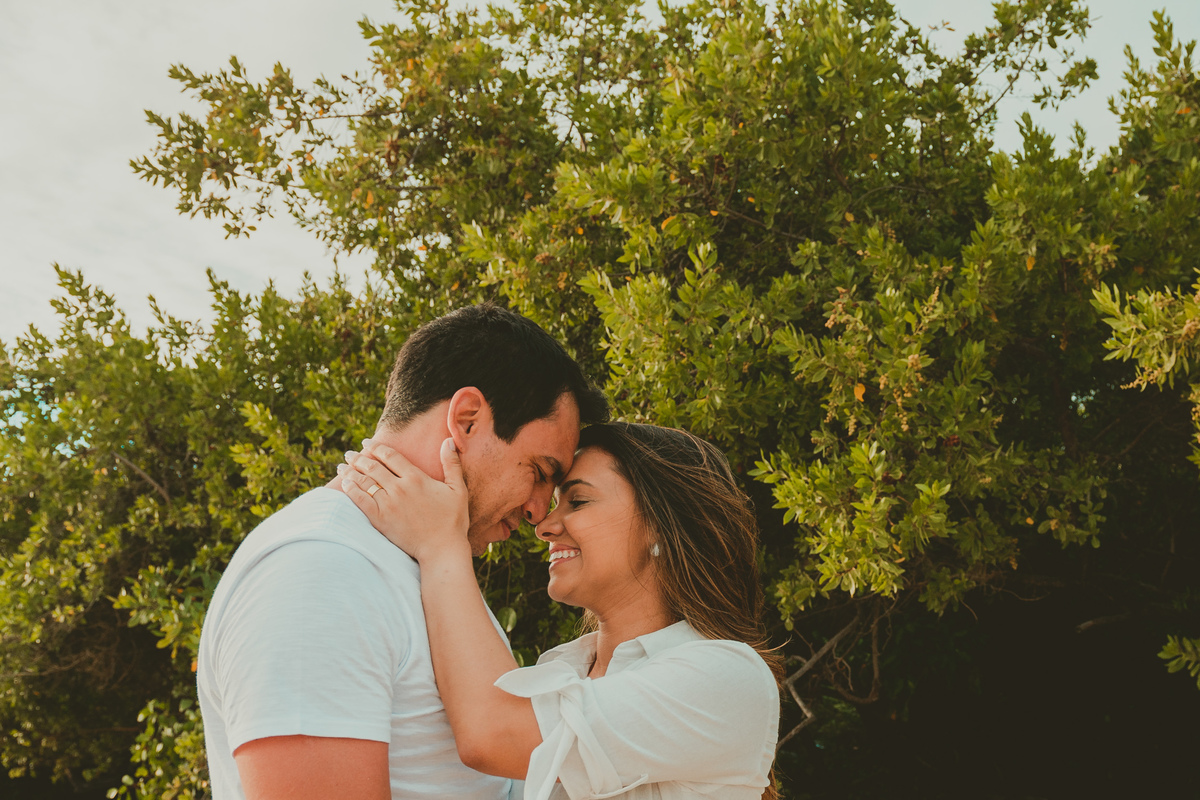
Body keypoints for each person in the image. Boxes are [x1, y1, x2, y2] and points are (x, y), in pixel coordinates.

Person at [196, 304, 609, 800]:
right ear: (468, 419)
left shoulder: (428, 565)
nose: (540, 512)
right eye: (540, 472)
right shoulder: (320, 572)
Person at [342, 421, 783, 800]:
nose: (545, 526)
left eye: (578, 501)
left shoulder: (725, 676)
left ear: (662, 527)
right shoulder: (563, 670)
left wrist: (442, 542)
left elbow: (490, 734)